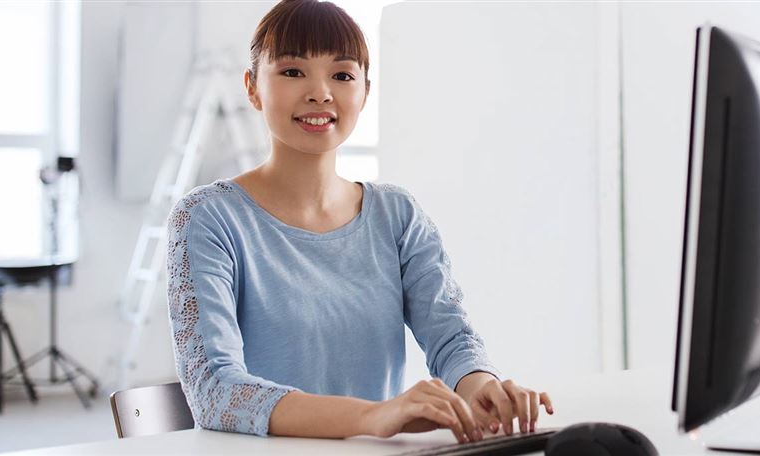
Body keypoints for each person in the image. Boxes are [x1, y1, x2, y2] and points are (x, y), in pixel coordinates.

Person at [165, 0, 552, 443]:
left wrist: (484, 389)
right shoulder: (208, 218)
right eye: (293, 72)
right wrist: (375, 417)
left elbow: (452, 339)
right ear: (252, 88)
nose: (320, 93)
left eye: (342, 75)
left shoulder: (397, 215)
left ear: (366, 92)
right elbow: (215, 390)